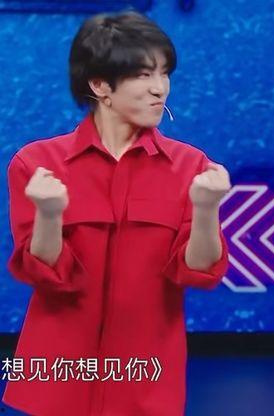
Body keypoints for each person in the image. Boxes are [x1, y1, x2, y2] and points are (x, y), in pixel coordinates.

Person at [2, 11, 230, 416]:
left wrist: (207, 207)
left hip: (146, 376)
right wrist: (49, 215)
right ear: (100, 85)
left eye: (164, 73)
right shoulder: (36, 163)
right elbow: (46, 275)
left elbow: (198, 271)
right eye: (143, 75)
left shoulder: (191, 166)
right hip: (59, 375)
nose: (160, 88)